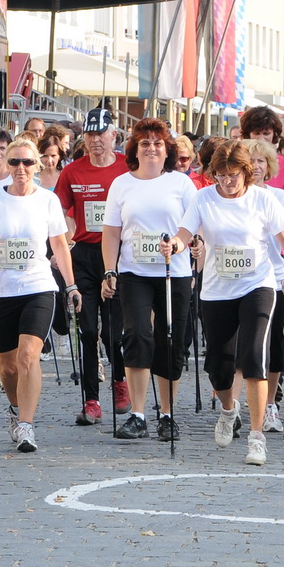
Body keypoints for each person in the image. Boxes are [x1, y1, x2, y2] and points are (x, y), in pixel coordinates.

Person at [169, 140, 284, 467]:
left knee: (254, 355)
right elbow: (184, 234)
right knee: (218, 365)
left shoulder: (263, 199)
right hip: (216, 290)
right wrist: (174, 244)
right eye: (221, 176)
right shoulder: (203, 198)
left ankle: (257, 438)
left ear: (246, 173)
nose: (227, 182)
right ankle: (229, 410)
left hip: (258, 284)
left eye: (233, 175)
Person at [0, 137, 81, 453]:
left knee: (28, 356)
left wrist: (71, 285)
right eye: (15, 162)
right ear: (6, 165)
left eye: (27, 162)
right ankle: (15, 407)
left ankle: (26, 424)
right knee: (7, 367)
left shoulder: (47, 200)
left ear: (38, 165)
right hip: (1, 289)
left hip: (38, 286)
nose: (21, 168)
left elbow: (59, 244)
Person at [100, 118, 193, 441]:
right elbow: (112, 232)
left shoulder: (180, 184)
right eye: (145, 143)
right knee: (138, 335)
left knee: (171, 341)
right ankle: (138, 414)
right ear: (135, 149)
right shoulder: (122, 184)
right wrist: (109, 269)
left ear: (167, 149)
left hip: (173, 272)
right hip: (135, 272)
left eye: (157, 143)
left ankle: (167, 413)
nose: (151, 148)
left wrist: (178, 243)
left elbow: (191, 227)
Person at [55, 106, 131, 425]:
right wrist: (68, 231)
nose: (96, 141)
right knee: (87, 330)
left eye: (101, 134)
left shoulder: (128, 168)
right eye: (90, 135)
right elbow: (58, 208)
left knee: (113, 333)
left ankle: (119, 380)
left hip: (117, 255)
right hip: (85, 253)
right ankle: (91, 400)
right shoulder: (73, 171)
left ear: (114, 135)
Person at [248, 139, 284, 434]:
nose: (255, 167)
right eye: (250, 160)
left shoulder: (279, 197)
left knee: (273, 343)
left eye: (261, 161)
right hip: (237, 282)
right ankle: (233, 403)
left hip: (272, 279)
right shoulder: (230, 197)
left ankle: (270, 404)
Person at [240, 106, 284, 189]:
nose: (261, 138)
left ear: (274, 134)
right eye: (256, 133)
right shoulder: (237, 161)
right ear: (248, 134)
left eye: (266, 133)